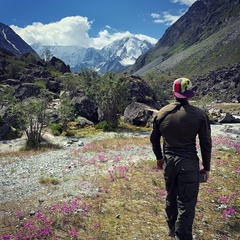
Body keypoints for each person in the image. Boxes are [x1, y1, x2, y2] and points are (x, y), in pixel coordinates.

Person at [150, 77, 212, 240]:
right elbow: (206, 143)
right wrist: (206, 167)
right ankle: (182, 236)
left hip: (169, 163)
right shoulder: (200, 115)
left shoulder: (162, 113)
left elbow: (154, 138)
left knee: (171, 196)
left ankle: (172, 229)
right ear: (190, 94)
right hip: (189, 163)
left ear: (173, 93)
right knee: (186, 202)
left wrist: (159, 157)